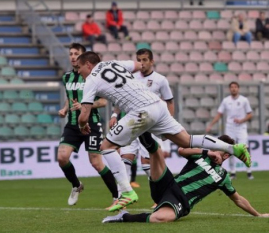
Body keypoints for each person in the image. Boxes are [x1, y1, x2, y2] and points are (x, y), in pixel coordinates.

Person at [76, 51, 251, 212]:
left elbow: (84, 115)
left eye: (79, 67)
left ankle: (126, 192)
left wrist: (82, 124)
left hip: (140, 110)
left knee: (106, 146)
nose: (78, 72)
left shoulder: (91, 79)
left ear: (89, 65)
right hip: (157, 104)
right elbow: (138, 65)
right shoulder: (113, 63)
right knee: (186, 140)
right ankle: (232, 149)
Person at [102, 132, 269, 223]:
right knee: (156, 152)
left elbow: (238, 199)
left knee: (159, 218)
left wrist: (258, 214)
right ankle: (143, 129)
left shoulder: (223, 177)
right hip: (168, 185)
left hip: (181, 201)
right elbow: (182, 150)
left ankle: (123, 217)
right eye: (221, 149)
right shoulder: (202, 156)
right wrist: (206, 151)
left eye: (225, 153)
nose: (222, 154)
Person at [57, 43, 118, 207]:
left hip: (91, 123)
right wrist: (64, 108)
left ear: (84, 57)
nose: (72, 57)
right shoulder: (67, 77)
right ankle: (76, 185)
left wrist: (86, 105)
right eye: (70, 53)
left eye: (76, 53)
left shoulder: (93, 78)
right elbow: (70, 97)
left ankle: (116, 196)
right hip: (72, 124)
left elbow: (103, 102)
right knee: (62, 157)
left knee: (96, 163)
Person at [108, 49, 174, 188]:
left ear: (152, 61)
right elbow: (122, 98)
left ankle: (161, 195)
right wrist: (115, 115)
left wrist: (168, 125)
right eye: (139, 60)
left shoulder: (160, 80)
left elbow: (169, 102)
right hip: (131, 123)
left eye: (144, 60)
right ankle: (123, 198)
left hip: (151, 126)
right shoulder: (130, 77)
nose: (141, 63)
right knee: (125, 158)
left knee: (147, 165)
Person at [206, 81, 254, 180]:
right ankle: (233, 172)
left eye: (235, 87)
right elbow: (219, 114)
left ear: (238, 88)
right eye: (232, 87)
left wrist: (241, 120)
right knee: (229, 149)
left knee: (245, 148)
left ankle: (249, 171)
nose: (233, 88)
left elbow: (250, 114)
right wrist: (211, 125)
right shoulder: (226, 101)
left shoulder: (244, 100)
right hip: (230, 128)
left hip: (241, 128)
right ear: (229, 89)